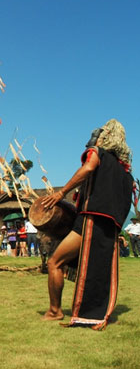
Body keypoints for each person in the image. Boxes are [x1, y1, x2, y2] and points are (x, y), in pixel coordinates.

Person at [41, 119, 133, 330]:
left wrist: (61, 193)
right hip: (109, 226)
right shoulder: (126, 174)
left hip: (90, 220)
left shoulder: (96, 153)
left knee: (55, 262)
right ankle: (92, 313)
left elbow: (88, 168)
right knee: (96, 269)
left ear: (105, 137)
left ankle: (54, 311)